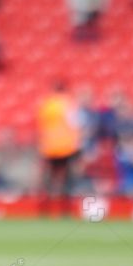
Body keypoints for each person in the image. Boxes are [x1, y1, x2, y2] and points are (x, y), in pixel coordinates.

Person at [36, 81, 81, 218]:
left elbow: (41, 125)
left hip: (49, 146)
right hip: (66, 147)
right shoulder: (68, 103)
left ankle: (45, 209)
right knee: (66, 179)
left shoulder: (46, 104)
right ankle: (64, 210)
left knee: (49, 179)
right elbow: (75, 123)